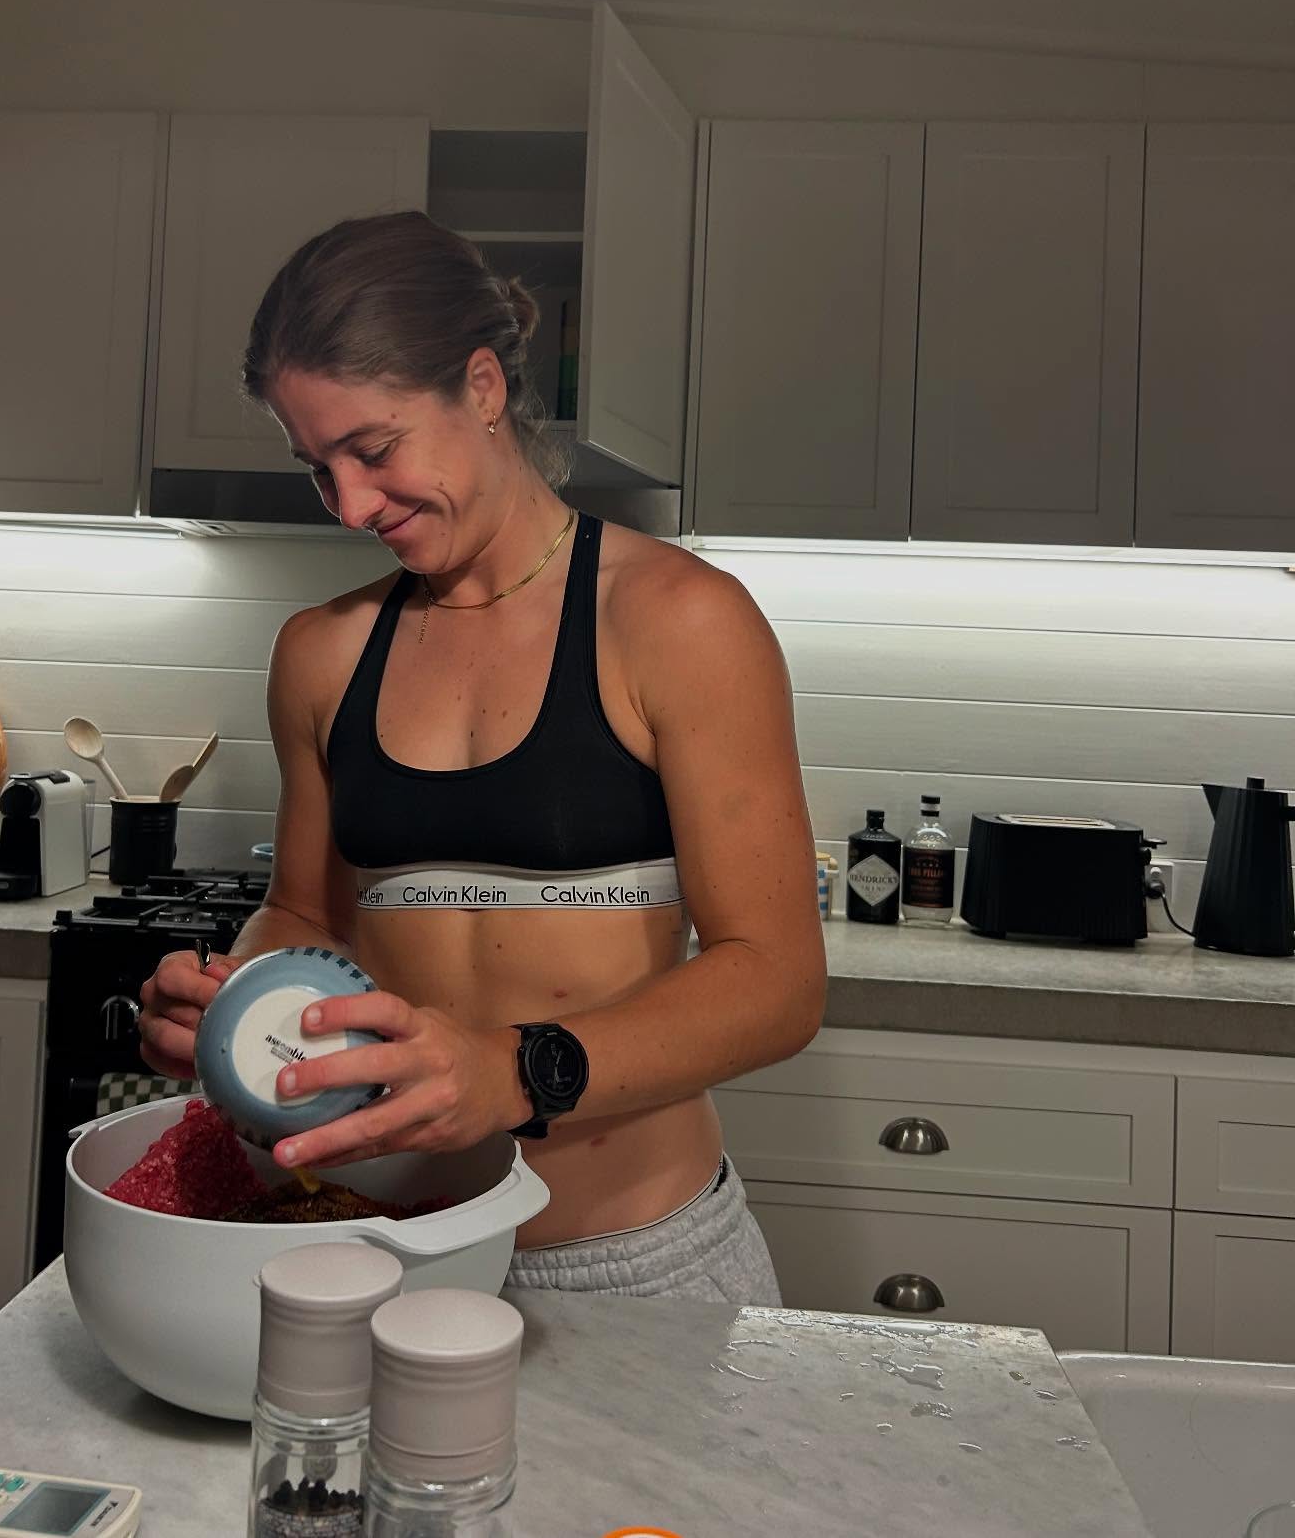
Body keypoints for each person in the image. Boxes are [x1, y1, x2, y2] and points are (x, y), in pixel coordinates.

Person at [139, 209, 826, 1303]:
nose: (351, 505)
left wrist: (511, 1070)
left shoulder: (679, 620)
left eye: (374, 450)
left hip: (635, 1266)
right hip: (389, 1255)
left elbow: (778, 981)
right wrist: (237, 1001)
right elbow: (307, 914)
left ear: (484, 386)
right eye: (318, 468)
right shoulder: (320, 653)